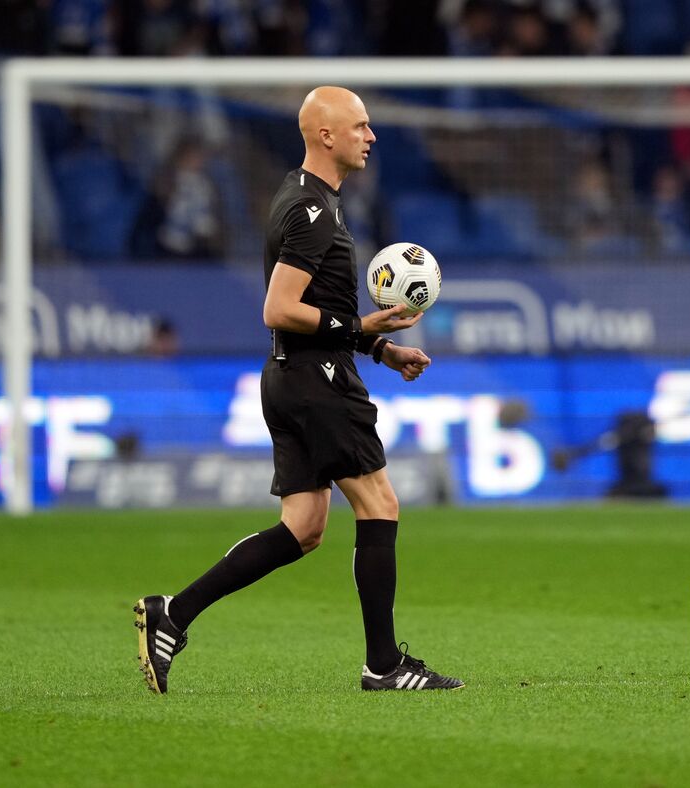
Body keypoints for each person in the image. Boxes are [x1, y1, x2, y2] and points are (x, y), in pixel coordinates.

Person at [133, 86, 464, 694]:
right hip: (318, 383)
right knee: (381, 506)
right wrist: (363, 328)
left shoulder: (314, 202)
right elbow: (279, 309)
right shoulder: (312, 213)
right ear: (327, 135)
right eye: (360, 126)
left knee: (304, 527)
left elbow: (319, 311)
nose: (371, 136)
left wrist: (381, 349)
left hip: (294, 377)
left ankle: (171, 615)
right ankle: (384, 665)